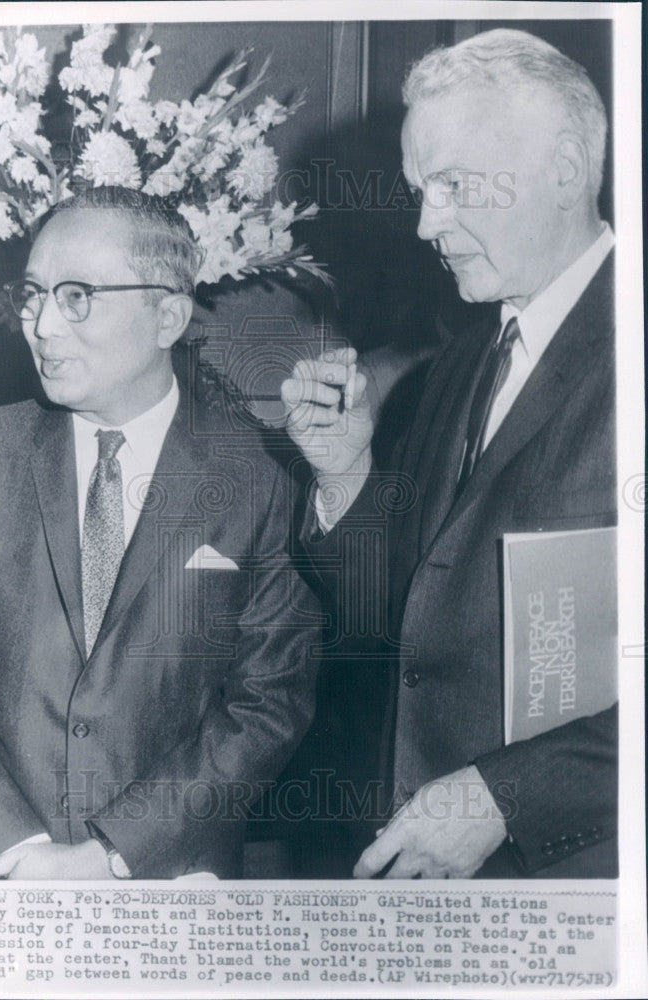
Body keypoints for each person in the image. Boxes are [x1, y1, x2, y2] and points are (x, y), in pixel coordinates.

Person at [282, 28, 617, 879]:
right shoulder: (464, 360)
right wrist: (345, 471)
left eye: (454, 185)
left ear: (568, 169)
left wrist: (507, 795)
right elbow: (404, 606)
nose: (427, 223)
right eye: (418, 191)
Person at [0, 186, 320, 880]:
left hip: (172, 883)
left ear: (167, 315)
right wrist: (17, 853)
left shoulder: (263, 474)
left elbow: (267, 704)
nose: (42, 324)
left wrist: (113, 854)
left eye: (77, 296)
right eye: (34, 294)